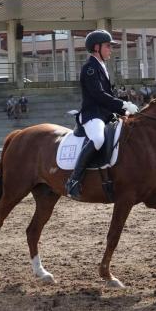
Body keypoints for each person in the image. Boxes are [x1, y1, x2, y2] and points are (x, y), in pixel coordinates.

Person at [64, 29, 139, 199]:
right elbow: (98, 95)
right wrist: (122, 104)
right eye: (107, 46)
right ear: (96, 47)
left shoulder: (102, 66)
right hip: (92, 115)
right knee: (98, 139)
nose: (110, 50)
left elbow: (109, 96)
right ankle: (74, 180)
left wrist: (124, 110)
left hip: (105, 114)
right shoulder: (90, 68)